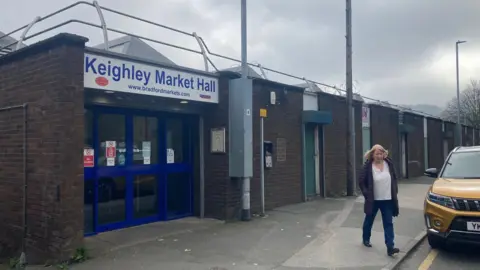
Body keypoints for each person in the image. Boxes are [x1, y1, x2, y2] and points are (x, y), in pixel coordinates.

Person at [358, 144, 400, 256]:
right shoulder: (368, 167)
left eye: (381, 153)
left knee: (388, 223)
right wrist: (367, 194)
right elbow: (361, 182)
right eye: (377, 154)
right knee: (369, 220)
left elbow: (394, 177)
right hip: (374, 200)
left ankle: (390, 247)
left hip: (387, 200)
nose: (379, 156)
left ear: (384, 154)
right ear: (372, 154)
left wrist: (395, 190)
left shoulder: (389, 164)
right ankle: (366, 239)